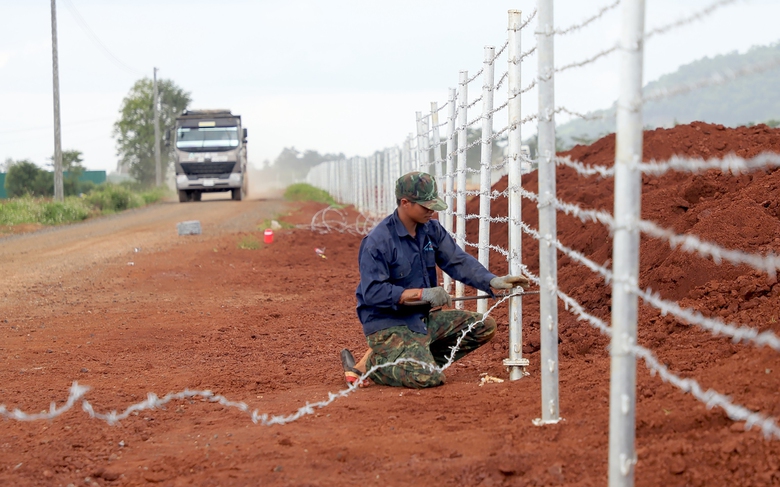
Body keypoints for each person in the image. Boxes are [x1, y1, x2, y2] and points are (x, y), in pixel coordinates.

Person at [341, 171, 529, 389]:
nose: (431, 210)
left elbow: (457, 261)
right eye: (425, 205)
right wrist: (420, 294)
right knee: (429, 378)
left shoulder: (431, 230)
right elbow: (373, 292)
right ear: (405, 203)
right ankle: (378, 364)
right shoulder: (378, 242)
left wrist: (491, 281)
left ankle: (411, 360)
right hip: (389, 325)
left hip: (421, 321)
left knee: (482, 326)